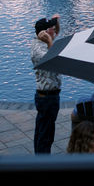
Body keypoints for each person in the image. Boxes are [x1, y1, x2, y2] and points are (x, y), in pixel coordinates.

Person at [30, 14, 62, 154]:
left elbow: (57, 32)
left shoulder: (42, 42)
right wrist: (50, 41)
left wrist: (57, 23)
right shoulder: (39, 50)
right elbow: (53, 60)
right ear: (43, 33)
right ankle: (43, 164)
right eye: (51, 28)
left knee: (43, 130)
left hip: (50, 96)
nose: (54, 30)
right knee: (45, 135)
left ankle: (40, 158)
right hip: (47, 98)